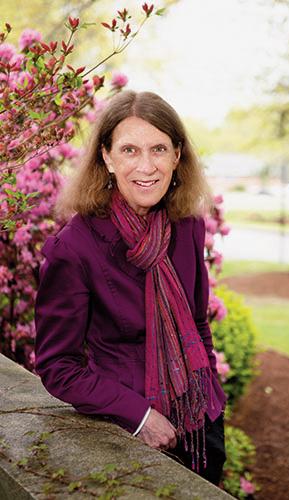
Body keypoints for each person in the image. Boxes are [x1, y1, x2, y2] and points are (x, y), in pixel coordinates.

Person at [34, 90, 227, 486]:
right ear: (106, 156)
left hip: (201, 424)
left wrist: (209, 395)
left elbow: (197, 323)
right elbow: (58, 366)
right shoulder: (75, 247)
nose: (146, 166)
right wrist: (139, 417)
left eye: (158, 149)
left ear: (177, 156)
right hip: (128, 432)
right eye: (129, 150)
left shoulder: (188, 226)